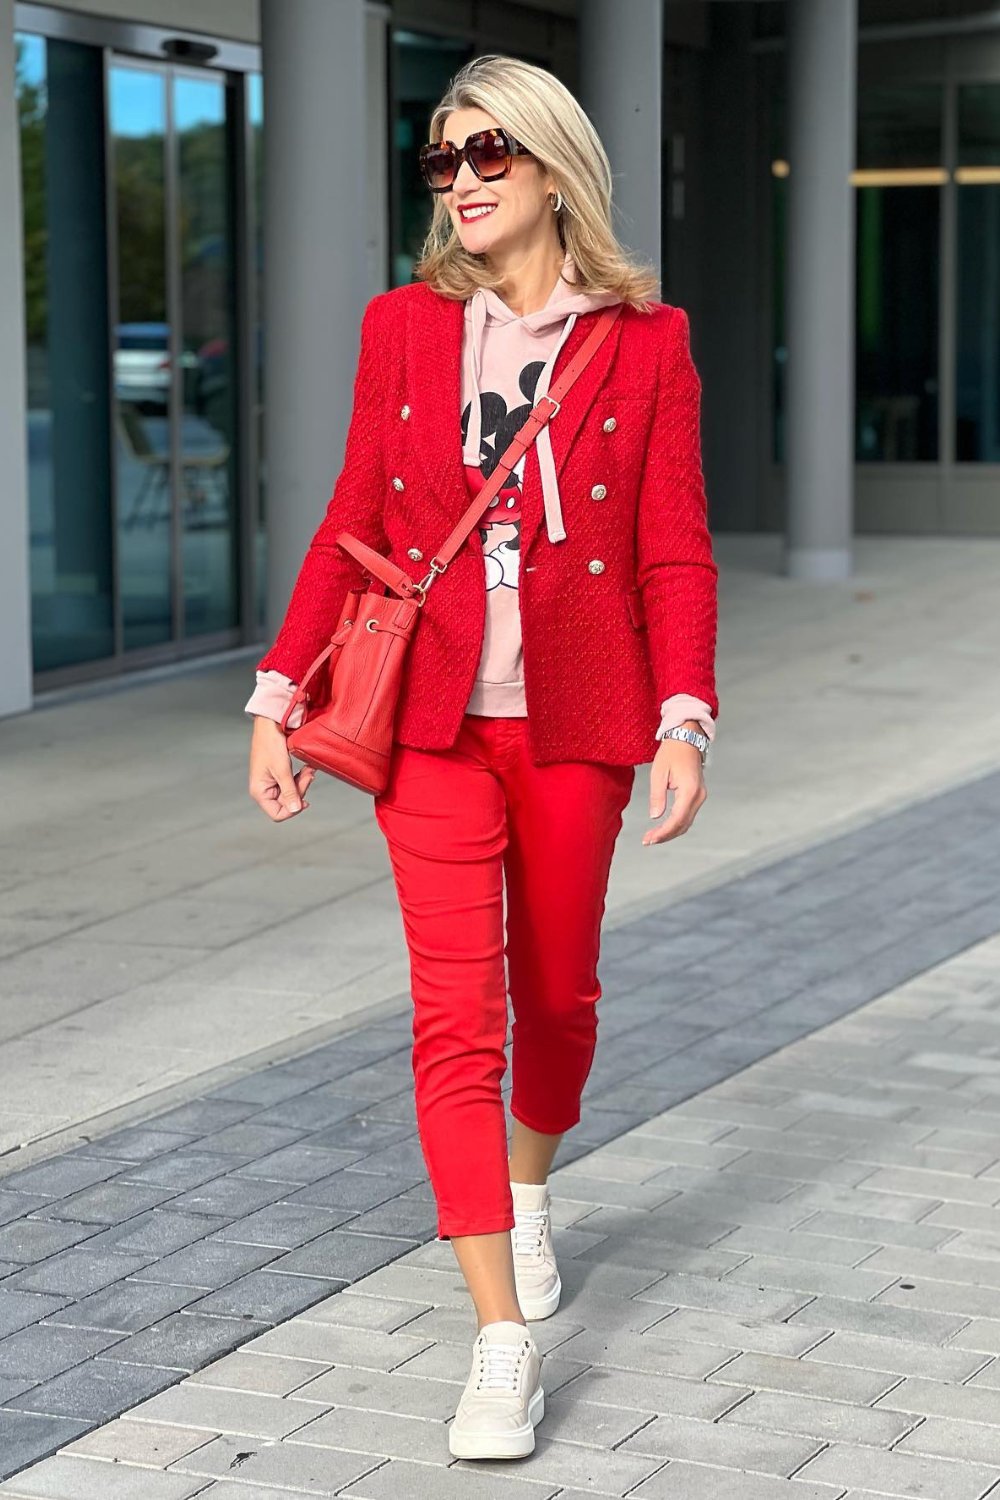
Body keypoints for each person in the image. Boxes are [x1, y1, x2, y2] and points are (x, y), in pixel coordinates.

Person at [245, 52, 718, 1463]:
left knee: (557, 993)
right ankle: (501, 1341)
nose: (459, 182)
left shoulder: (648, 342)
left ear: (554, 168)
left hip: (578, 721)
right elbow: (350, 519)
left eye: (486, 156)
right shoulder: (401, 328)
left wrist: (684, 716)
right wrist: (280, 691)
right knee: (457, 1021)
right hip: (431, 725)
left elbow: (673, 546)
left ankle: (529, 1182)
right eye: (442, 161)